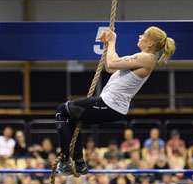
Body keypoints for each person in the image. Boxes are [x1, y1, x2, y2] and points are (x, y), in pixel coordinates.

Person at [54, 27, 176, 175]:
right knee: (71, 119)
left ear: (150, 43)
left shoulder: (147, 58)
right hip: (110, 105)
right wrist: (108, 45)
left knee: (62, 110)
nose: (139, 36)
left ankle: (66, 160)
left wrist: (113, 41)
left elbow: (112, 64)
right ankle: (79, 164)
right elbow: (111, 67)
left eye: (143, 35)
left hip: (109, 105)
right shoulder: (144, 58)